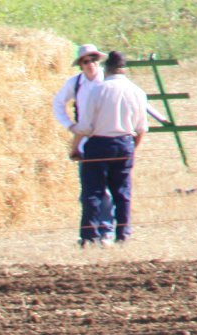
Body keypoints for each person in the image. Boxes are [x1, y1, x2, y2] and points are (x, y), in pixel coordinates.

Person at [73, 50, 150, 245]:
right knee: (122, 192)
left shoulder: (98, 90)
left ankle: (90, 236)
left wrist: (75, 147)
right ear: (124, 69)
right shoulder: (137, 92)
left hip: (99, 143)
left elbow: (85, 126)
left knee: (93, 192)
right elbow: (141, 128)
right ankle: (123, 234)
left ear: (107, 69)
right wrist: (132, 149)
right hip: (125, 143)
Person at [53, 44, 104, 245]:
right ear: (81, 65)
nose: (91, 64)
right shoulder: (75, 83)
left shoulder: (108, 81)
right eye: (86, 61)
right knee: (89, 191)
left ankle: (106, 230)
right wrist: (70, 126)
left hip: (107, 138)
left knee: (108, 191)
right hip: (85, 142)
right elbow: (58, 103)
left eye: (94, 60)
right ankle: (92, 233)